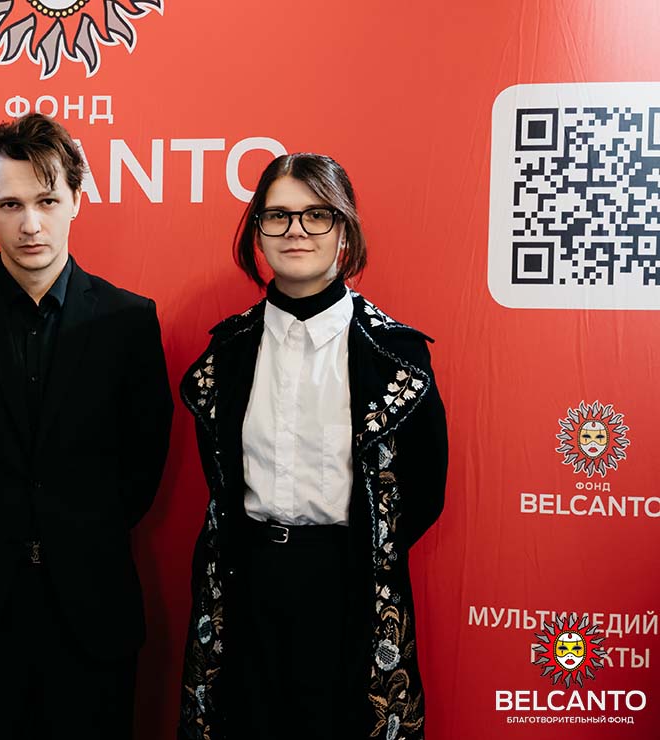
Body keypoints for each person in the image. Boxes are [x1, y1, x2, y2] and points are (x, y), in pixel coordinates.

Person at [0, 113, 173, 740]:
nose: (30, 224)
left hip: (91, 611)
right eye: (11, 204)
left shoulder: (130, 321)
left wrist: (75, 529)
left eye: (47, 201)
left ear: (76, 200)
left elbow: (142, 464)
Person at [177, 153, 448, 740]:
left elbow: (425, 490)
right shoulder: (227, 353)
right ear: (257, 232)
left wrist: (357, 555)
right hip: (245, 584)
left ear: (344, 230)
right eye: (278, 215)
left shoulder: (396, 357)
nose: (296, 230)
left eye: (316, 214)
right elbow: (219, 478)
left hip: (350, 586)